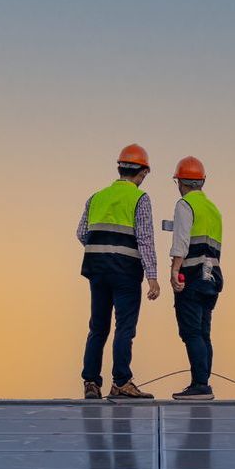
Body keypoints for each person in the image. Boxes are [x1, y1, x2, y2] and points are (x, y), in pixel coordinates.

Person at [77, 144, 161, 400]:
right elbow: (145, 238)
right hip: (125, 271)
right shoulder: (140, 198)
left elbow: (81, 233)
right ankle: (122, 382)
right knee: (124, 327)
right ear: (143, 172)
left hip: (97, 269)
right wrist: (153, 278)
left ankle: (91, 382)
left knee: (98, 327)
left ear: (120, 167)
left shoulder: (96, 197)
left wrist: (103, 249)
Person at [169, 155, 223, 401]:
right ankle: (203, 381)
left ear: (180, 182)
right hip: (212, 277)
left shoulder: (185, 205)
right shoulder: (214, 210)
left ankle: (200, 385)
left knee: (191, 332)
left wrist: (174, 271)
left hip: (191, 274)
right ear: (202, 181)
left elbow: (181, 241)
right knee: (203, 332)